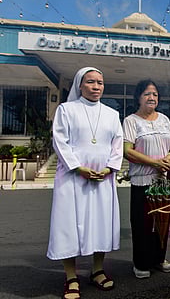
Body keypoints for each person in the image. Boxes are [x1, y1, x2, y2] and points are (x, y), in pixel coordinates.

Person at [47, 67, 123, 299]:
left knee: (101, 224)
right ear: (80, 85)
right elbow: (59, 140)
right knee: (69, 225)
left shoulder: (111, 114)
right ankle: (71, 276)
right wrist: (78, 167)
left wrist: (110, 168)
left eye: (100, 82)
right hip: (72, 178)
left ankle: (97, 270)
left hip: (102, 179)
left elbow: (117, 143)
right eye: (91, 82)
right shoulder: (66, 110)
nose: (96, 87)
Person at [123, 79, 170, 279]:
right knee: (143, 224)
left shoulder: (163, 119)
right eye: (147, 94)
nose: (152, 97)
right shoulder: (131, 121)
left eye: (155, 94)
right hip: (142, 181)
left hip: (162, 181)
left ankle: (159, 259)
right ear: (138, 97)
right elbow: (127, 151)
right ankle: (141, 263)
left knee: (163, 222)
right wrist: (154, 163)